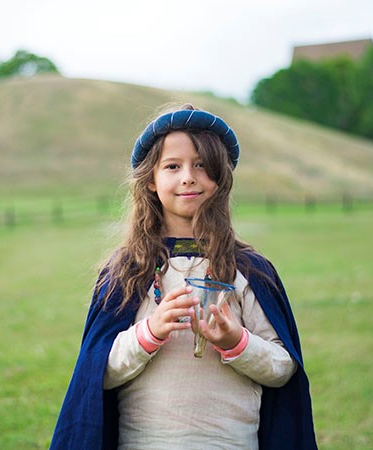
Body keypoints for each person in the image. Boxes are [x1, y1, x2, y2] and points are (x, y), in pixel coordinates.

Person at [50, 104, 317, 449]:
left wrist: (235, 340)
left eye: (202, 165)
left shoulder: (249, 270)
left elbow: (283, 367)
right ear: (150, 180)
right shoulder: (128, 271)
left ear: (220, 177)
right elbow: (97, 374)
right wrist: (151, 331)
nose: (188, 177)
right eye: (172, 166)